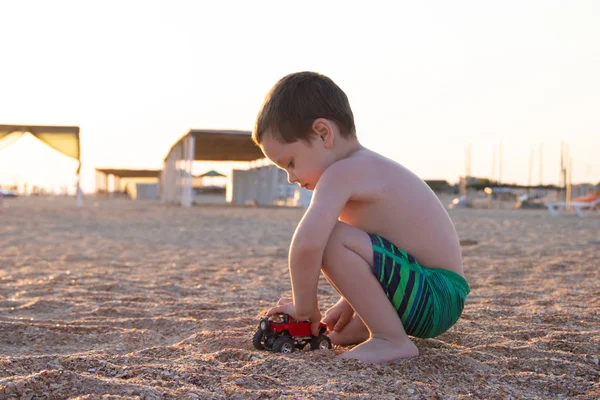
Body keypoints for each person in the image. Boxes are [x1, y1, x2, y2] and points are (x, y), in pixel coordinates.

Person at [253, 71, 470, 364]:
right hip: (435, 294)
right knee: (336, 327)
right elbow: (388, 246)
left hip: (434, 294)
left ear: (322, 133)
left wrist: (305, 309)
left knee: (329, 237)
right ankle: (373, 328)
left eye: (290, 163)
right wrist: (348, 303)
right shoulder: (364, 169)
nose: (291, 177)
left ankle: (390, 339)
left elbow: (306, 244)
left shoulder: (342, 173)